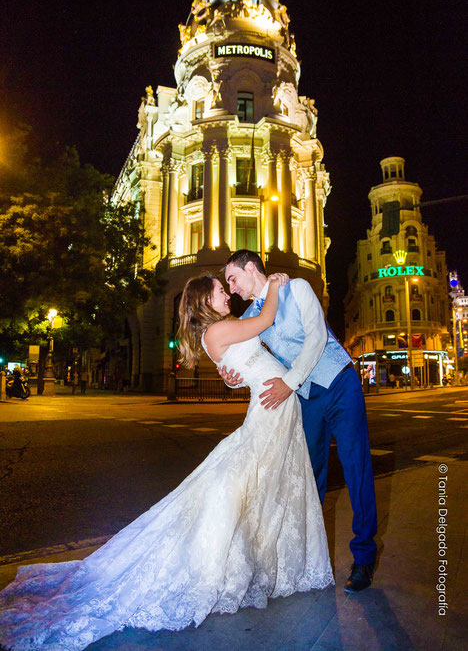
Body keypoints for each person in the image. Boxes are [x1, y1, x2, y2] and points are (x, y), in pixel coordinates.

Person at [0, 273, 332, 650]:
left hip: (276, 403)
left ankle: (264, 561)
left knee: (268, 486)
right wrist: (273, 285)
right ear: (206, 301)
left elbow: (241, 370)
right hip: (271, 406)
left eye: (227, 289)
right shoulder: (219, 330)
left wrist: (231, 379)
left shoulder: (222, 329)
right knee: (248, 483)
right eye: (222, 291)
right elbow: (267, 320)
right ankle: (225, 564)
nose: (227, 295)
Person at [220, 250, 377, 593]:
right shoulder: (251, 315)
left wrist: (289, 382)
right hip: (306, 398)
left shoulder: (299, 288)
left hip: (338, 382)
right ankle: (310, 556)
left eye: (233, 278)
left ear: (251, 269)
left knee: (356, 469)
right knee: (310, 478)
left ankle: (364, 557)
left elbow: (318, 338)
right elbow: (244, 358)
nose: (231, 288)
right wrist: (232, 376)